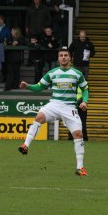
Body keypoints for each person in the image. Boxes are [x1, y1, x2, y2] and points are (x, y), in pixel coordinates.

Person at [18, 47, 89, 177]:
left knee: (78, 134)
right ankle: (25, 145)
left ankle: (80, 168)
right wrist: (28, 86)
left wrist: (84, 101)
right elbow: (39, 87)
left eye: (65, 55)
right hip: (54, 104)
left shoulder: (77, 73)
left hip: (70, 107)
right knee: (39, 117)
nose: (63, 57)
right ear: (58, 58)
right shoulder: (52, 73)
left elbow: (85, 89)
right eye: (61, 55)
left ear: (70, 58)